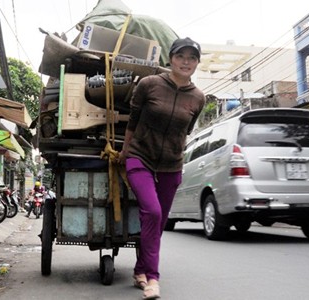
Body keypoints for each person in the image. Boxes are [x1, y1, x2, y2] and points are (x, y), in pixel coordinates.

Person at [118, 37, 205, 300]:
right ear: (171, 58)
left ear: (197, 63)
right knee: (153, 212)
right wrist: (124, 153)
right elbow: (132, 122)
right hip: (139, 157)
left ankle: (140, 270)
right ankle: (153, 279)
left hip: (171, 164)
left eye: (192, 57)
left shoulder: (198, 98)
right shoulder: (149, 85)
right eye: (181, 56)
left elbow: (186, 132)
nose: (186, 62)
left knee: (158, 222)